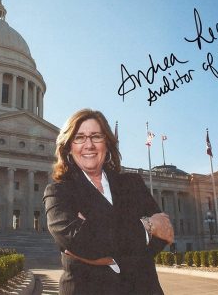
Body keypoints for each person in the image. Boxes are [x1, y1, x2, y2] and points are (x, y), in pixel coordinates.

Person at [43, 109, 174, 295]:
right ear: (69, 147)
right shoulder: (58, 192)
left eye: (96, 136)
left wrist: (105, 258)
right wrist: (146, 226)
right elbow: (78, 239)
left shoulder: (132, 183)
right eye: (79, 137)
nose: (89, 145)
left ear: (107, 143)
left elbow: (164, 233)